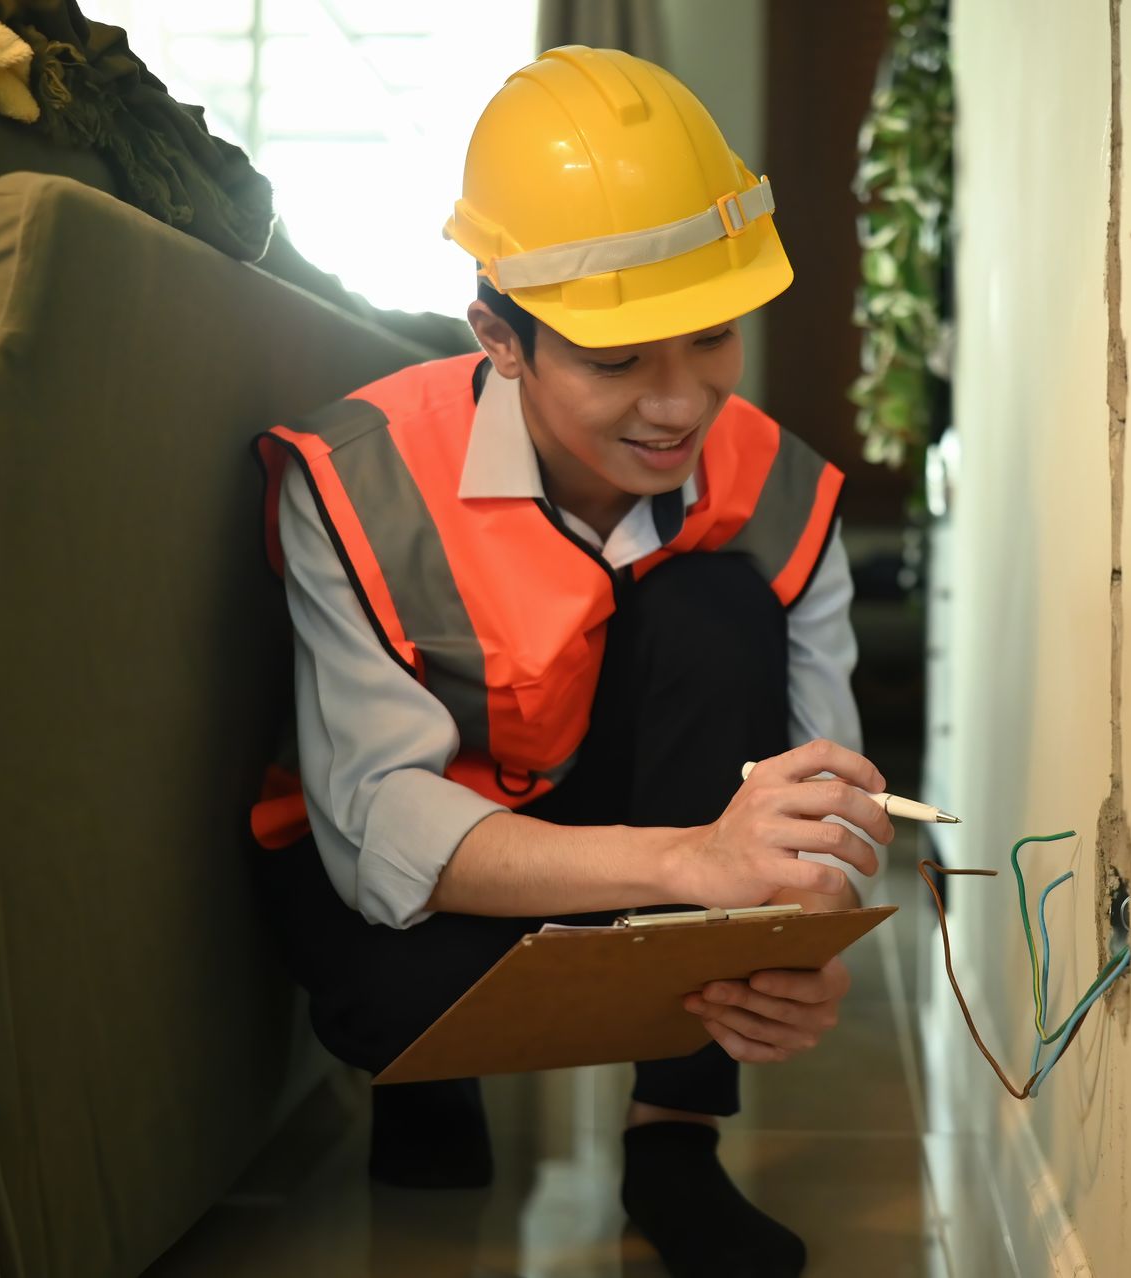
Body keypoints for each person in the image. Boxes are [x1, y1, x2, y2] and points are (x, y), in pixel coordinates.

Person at [247, 45, 892, 1278]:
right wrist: (698, 867)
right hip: (413, 895)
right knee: (394, 1000)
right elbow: (379, 830)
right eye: (616, 362)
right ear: (497, 334)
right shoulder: (356, 480)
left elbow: (823, 796)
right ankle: (433, 1082)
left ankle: (673, 1149)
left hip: (623, 838)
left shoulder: (781, 489)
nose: (679, 403)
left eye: (711, 340)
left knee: (716, 612)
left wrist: (800, 938)